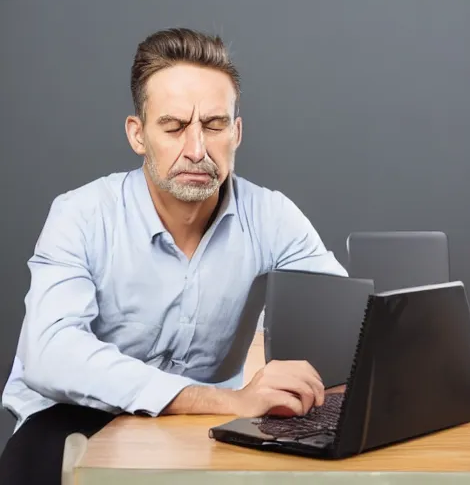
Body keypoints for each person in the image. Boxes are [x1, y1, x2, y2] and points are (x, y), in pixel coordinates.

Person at [0, 27, 347, 483]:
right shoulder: (81, 214)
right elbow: (50, 354)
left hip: (202, 427)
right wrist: (228, 400)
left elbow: (350, 327)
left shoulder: (271, 216)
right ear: (138, 134)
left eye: (215, 125)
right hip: (76, 416)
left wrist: (273, 360)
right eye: (175, 126)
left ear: (237, 132)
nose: (197, 150)